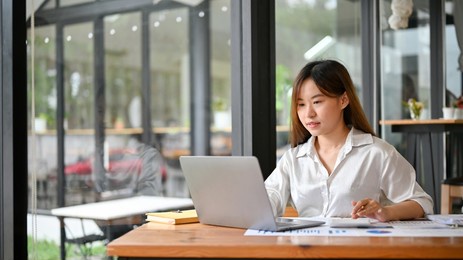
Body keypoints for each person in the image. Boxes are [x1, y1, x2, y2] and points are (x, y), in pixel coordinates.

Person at [265, 59, 433, 222]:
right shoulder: (293, 160)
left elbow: (422, 203)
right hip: (308, 248)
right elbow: (267, 199)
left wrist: (385, 212)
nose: (308, 113)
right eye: (301, 104)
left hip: (359, 247)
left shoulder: (376, 152)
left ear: (343, 100)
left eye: (317, 102)